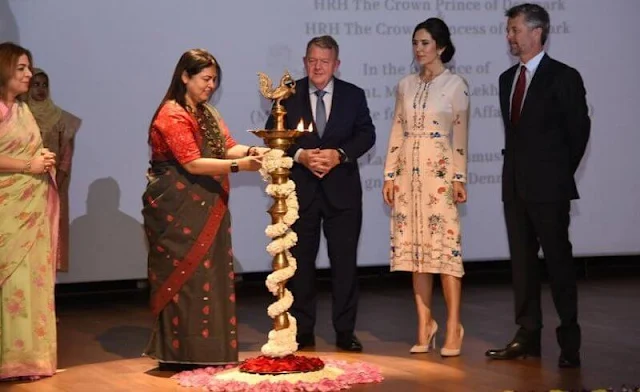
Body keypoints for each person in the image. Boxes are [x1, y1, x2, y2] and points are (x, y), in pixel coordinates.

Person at [142, 48, 266, 369]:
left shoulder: (208, 113)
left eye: (215, 80)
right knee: (188, 277)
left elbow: (226, 147)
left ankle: (211, 353)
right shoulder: (171, 114)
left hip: (208, 205)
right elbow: (192, 163)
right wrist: (241, 166)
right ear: (185, 76)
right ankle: (180, 355)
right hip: (178, 209)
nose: (211, 85)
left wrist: (256, 150)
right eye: (206, 78)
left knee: (211, 275)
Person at [485, 4, 590, 368]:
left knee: (558, 264)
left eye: (514, 30)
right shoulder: (505, 79)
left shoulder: (564, 76)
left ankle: (570, 341)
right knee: (523, 267)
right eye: (509, 30)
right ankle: (527, 336)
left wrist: (556, 177)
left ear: (537, 32)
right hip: (514, 189)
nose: (509, 37)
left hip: (550, 190)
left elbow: (578, 134)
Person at [266, 35, 375, 352]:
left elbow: (366, 134)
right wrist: (300, 156)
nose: (317, 66)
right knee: (301, 267)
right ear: (304, 62)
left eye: (324, 61)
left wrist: (339, 154)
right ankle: (302, 331)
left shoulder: (354, 95)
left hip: (343, 196)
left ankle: (345, 332)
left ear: (336, 65)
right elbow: (273, 134)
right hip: (302, 195)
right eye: (312, 60)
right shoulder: (287, 95)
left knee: (345, 266)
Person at [382, 18, 469, 357]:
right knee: (416, 254)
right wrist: (390, 175)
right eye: (415, 43)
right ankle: (424, 325)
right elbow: (396, 129)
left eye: (425, 43)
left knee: (445, 253)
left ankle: (453, 327)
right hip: (407, 175)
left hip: (439, 174)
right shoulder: (405, 85)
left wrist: (459, 177)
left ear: (441, 47)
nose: (419, 49)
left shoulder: (455, 84)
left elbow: (460, 135)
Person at [0, 42, 59, 381]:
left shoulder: (23, 111)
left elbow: (30, 152)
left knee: (31, 281)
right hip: (7, 210)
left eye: (29, 68)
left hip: (31, 208)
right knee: (10, 282)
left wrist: (43, 160)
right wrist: (28, 164)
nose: (28, 75)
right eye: (21, 68)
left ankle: (30, 360)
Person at [27, 68, 82, 272]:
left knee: (50, 234)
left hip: (53, 184)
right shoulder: (20, 116)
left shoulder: (61, 119)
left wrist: (56, 181)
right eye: (36, 84)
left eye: (44, 85)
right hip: (23, 184)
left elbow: (66, 155)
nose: (41, 90)